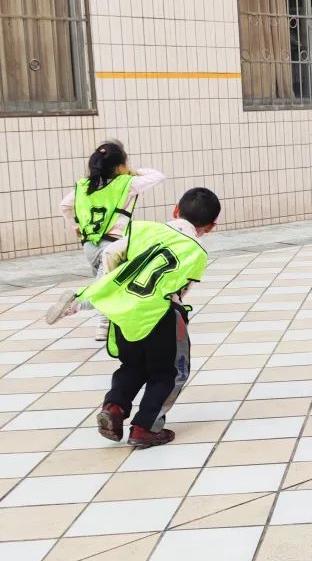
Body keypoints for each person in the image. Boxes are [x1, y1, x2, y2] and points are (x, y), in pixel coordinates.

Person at [45, 188, 221, 449]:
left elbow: (109, 254)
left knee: (132, 366)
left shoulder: (142, 229)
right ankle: (145, 427)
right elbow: (179, 289)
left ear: (175, 210)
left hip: (125, 311)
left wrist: (116, 284)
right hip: (158, 315)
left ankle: (114, 408)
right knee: (168, 373)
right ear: (211, 226)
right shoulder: (197, 252)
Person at [59, 140, 165, 341]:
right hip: (114, 246)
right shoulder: (127, 183)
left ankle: (105, 325)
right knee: (107, 286)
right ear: (119, 166)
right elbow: (158, 176)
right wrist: (133, 171)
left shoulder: (83, 187)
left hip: (90, 245)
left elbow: (64, 206)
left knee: (108, 283)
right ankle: (76, 302)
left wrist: (77, 227)